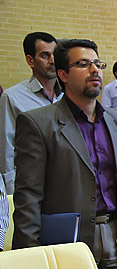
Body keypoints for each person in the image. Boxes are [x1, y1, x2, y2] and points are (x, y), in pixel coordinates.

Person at [12, 39, 117, 269]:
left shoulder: (115, 120)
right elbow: (29, 196)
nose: (94, 70)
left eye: (97, 63)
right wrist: (29, 257)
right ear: (63, 74)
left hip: (114, 230)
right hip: (70, 237)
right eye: (83, 64)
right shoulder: (39, 123)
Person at [0, 32, 63, 194]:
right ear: (30, 60)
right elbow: (6, 147)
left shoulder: (68, 95)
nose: (52, 61)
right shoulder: (13, 97)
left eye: (54, 55)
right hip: (31, 184)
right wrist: (11, 190)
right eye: (45, 55)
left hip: (66, 183)